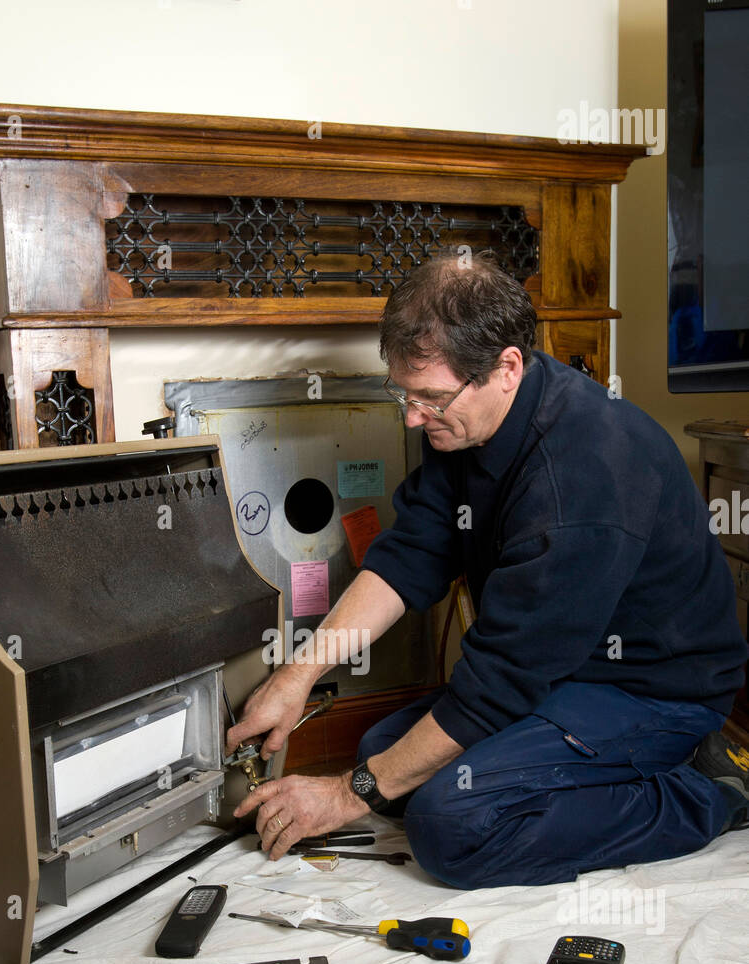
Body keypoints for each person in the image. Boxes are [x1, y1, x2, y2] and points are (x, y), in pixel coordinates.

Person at [227, 250, 749, 889]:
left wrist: (346, 797)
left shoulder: (581, 472)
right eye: (405, 393)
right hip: (558, 672)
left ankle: (706, 789)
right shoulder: (470, 420)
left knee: (451, 826)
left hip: (649, 692)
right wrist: (296, 676)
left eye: (430, 398)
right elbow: (412, 554)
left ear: (506, 367)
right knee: (379, 756)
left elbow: (503, 678)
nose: (414, 416)